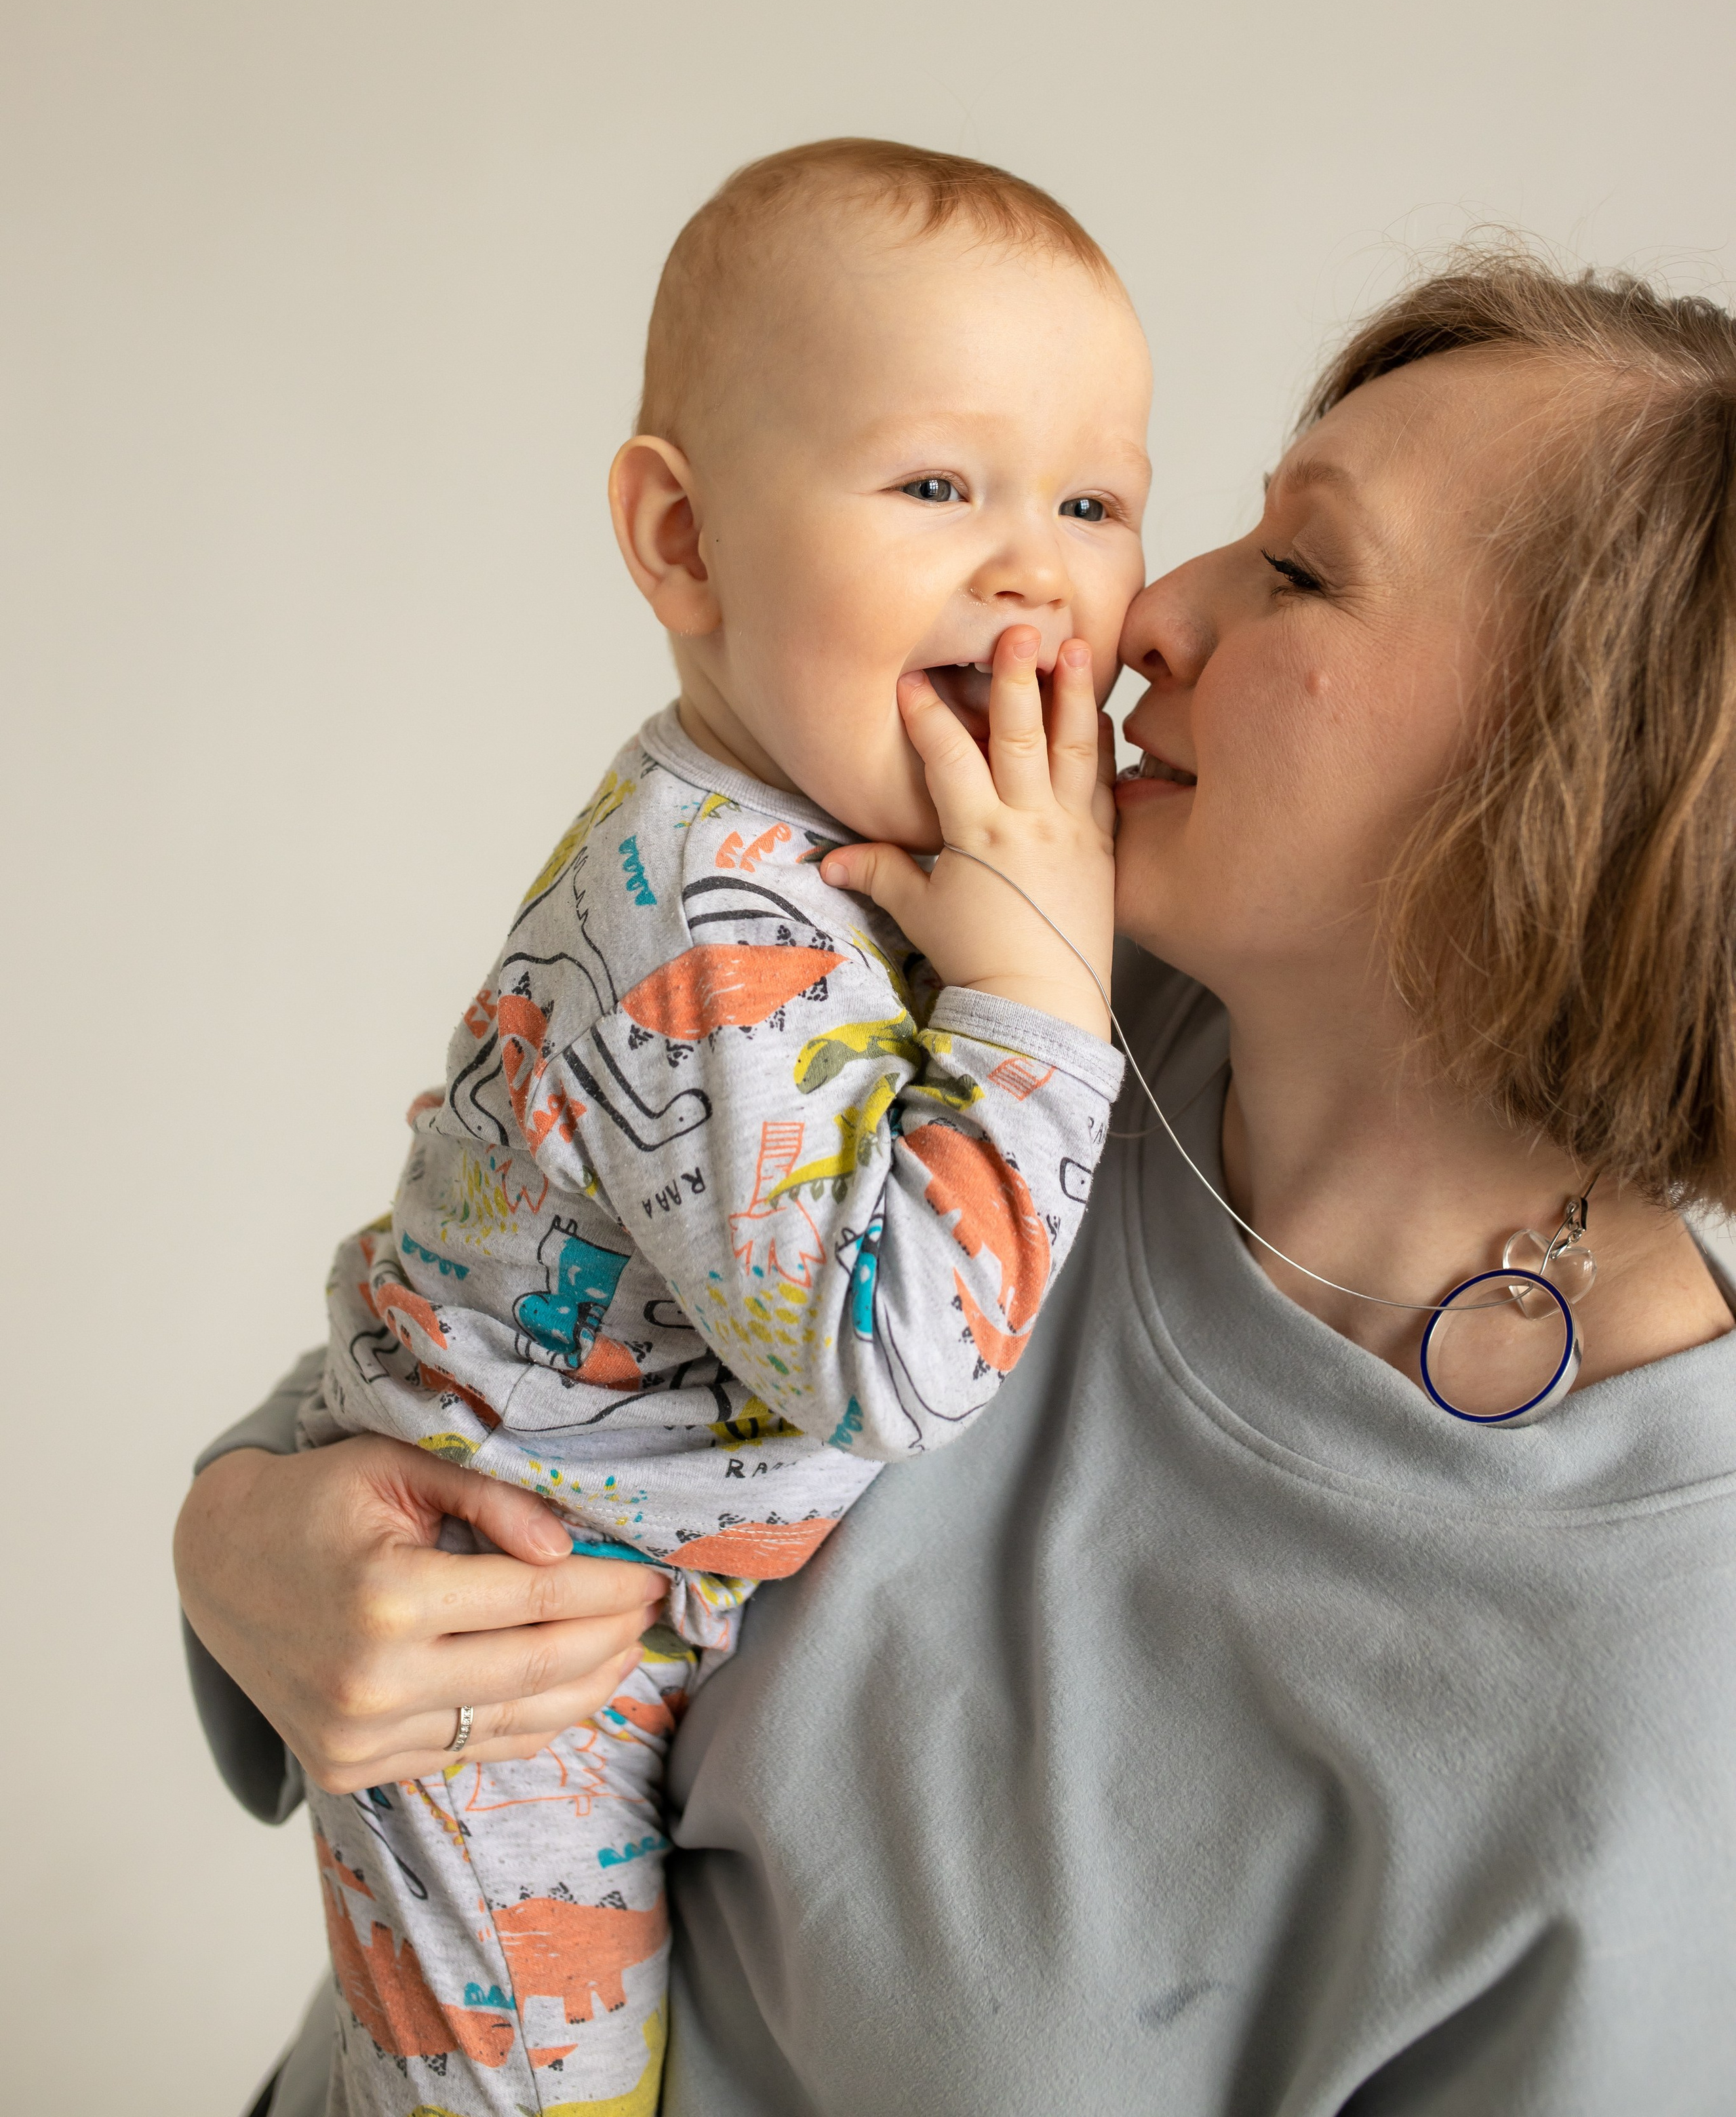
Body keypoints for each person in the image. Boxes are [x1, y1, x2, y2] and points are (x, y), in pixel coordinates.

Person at [180, 252, 1736, 2116]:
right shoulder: (971, 988)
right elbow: (489, 1349)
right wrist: (245, 1545)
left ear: (1590, 777)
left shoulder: (1670, 1686)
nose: (1141, 613)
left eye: (1302, 569)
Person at [286, 138, 1152, 2112]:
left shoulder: (857, 852)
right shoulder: (709, 908)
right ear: (685, 545)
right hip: (506, 1669)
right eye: (939, 485)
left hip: (650, 1623)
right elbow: (894, 1361)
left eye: (1095, 501)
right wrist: (1035, 995)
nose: (1035, 566)